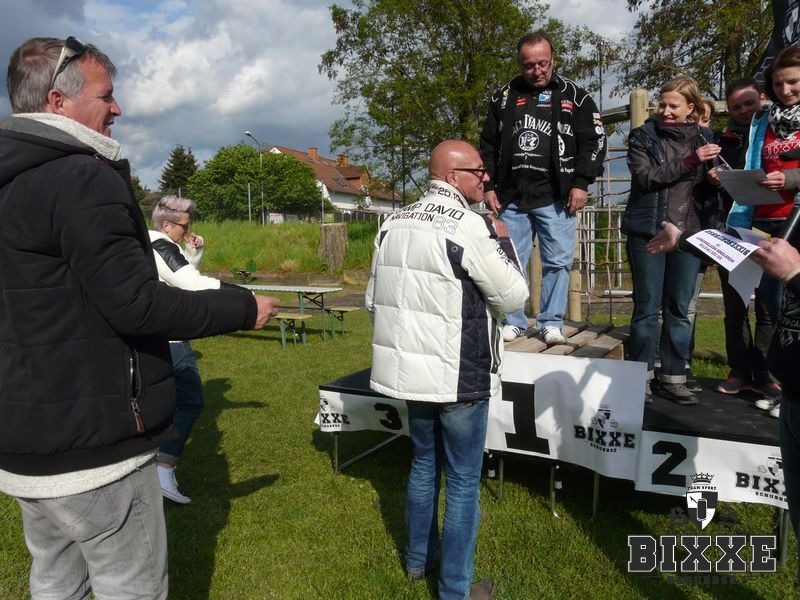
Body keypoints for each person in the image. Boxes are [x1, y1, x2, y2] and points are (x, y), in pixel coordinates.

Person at [0, 36, 279, 599]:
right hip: (94, 448)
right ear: (57, 101)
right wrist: (242, 305)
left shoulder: (12, 181)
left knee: (56, 584)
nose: (118, 108)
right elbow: (137, 302)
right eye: (106, 96)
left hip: (25, 447)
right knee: (131, 586)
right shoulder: (81, 176)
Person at [366, 140, 528, 600]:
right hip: (460, 375)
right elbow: (514, 295)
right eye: (479, 171)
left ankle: (417, 562)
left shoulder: (391, 222)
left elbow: (372, 299)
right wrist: (503, 240)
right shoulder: (470, 226)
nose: (486, 178)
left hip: (410, 374)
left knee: (423, 464)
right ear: (453, 176)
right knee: (461, 482)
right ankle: (455, 589)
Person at [479, 31, 605, 346]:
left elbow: (594, 141)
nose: (536, 71)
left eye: (542, 63)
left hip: (557, 197)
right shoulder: (503, 97)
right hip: (512, 197)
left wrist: (581, 183)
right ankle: (514, 321)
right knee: (508, 261)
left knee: (558, 262)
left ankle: (551, 322)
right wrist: (489, 185)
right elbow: (487, 145)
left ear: (553, 59)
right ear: (519, 64)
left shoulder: (575, 96)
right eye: (528, 65)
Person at [621, 76, 721, 405]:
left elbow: (707, 190)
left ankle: (674, 378)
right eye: (661, 104)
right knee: (647, 309)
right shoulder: (642, 137)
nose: (665, 110)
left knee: (679, 309)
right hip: (649, 232)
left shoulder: (706, 138)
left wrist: (715, 179)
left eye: (673, 105)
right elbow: (646, 177)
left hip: (689, 234)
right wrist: (692, 160)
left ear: (691, 108)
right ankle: (639, 378)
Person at [149, 195, 243, 504]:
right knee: (190, 402)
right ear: (167, 225)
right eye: (184, 225)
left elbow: (179, 280)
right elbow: (193, 286)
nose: (187, 230)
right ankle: (163, 469)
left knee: (158, 404)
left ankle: (147, 467)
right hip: (171, 339)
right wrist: (245, 296)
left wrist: (192, 253)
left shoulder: (149, 246)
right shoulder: (161, 245)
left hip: (153, 338)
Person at [727, 46, 800, 417]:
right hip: (764, 220)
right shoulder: (764, 121)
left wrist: (790, 178)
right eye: (779, 84)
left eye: (793, 82)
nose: (786, 90)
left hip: (797, 219)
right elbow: (753, 159)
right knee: (772, 305)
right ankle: (779, 386)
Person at [707, 78, 778, 400]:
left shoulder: (776, 136)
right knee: (735, 307)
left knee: (768, 307)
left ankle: (765, 373)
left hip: (770, 228)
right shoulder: (725, 142)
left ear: (762, 97)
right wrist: (714, 179)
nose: (744, 110)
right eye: (736, 107)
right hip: (733, 231)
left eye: (749, 103)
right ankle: (738, 370)